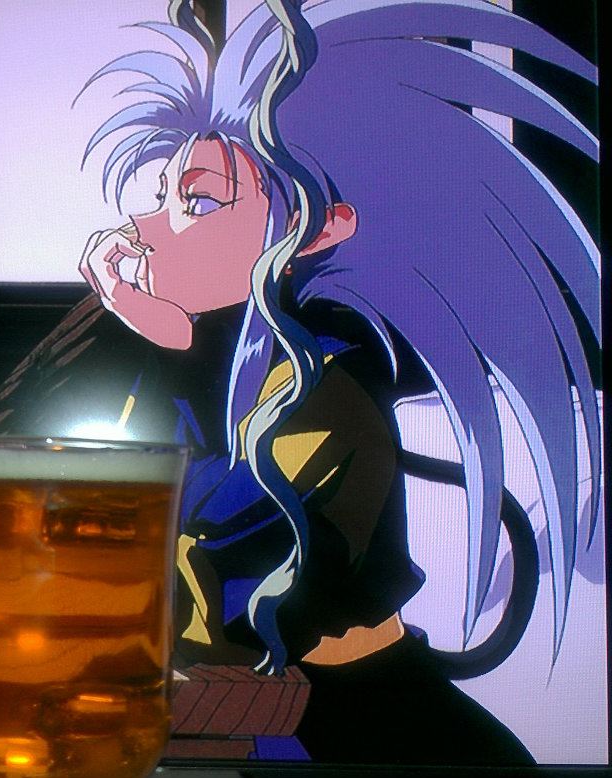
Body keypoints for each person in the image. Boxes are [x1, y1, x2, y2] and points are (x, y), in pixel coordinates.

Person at [71, 0, 601, 764]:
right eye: (159, 198)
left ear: (321, 228)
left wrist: (169, 343)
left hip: (350, 718)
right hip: (242, 711)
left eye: (198, 201)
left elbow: (230, 565)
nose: (144, 229)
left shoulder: (333, 382)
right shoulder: (193, 354)